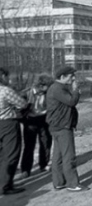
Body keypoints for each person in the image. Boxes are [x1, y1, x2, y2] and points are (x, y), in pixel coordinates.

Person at [47, 66, 88, 191]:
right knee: (68, 156)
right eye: (71, 76)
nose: (73, 78)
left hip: (57, 126)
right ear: (62, 77)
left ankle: (59, 182)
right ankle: (72, 184)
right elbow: (71, 102)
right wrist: (76, 91)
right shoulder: (58, 89)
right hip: (63, 126)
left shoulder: (56, 88)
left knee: (58, 156)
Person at [19, 74, 54, 179]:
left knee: (46, 142)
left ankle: (43, 165)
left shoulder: (48, 93)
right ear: (41, 85)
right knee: (29, 145)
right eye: (48, 86)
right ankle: (26, 169)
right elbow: (18, 110)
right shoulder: (26, 93)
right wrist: (24, 120)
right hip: (30, 121)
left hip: (44, 119)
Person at [0, 67, 28, 195]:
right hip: (7, 123)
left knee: (1, 155)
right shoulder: (5, 90)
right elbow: (22, 104)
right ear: (2, 76)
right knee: (11, 154)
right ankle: (5, 185)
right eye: (7, 76)